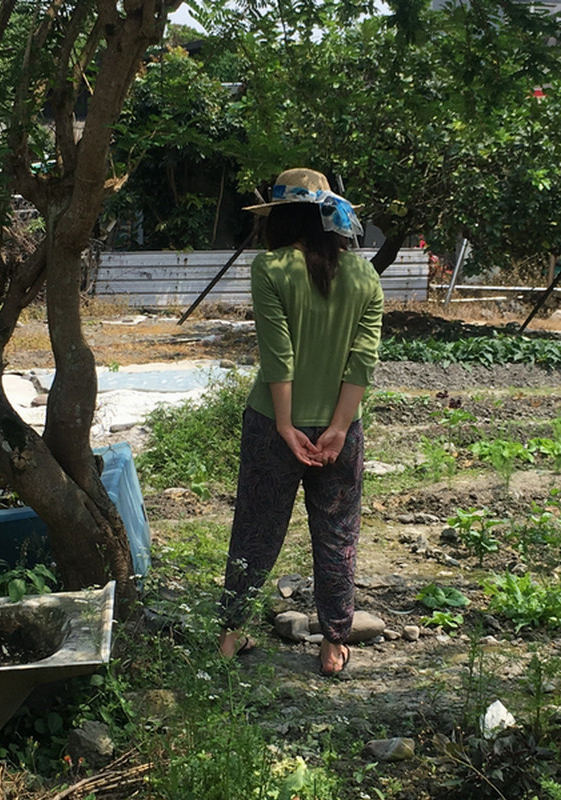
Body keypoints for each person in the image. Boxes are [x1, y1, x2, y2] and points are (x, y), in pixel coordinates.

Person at [218, 168, 384, 676]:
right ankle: (334, 644)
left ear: (281, 216)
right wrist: (337, 427)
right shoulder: (365, 276)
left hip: (273, 423)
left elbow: (278, 355)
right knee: (338, 531)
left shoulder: (270, 268)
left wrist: (287, 427)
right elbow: (362, 360)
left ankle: (230, 635)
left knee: (256, 527)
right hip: (341, 430)